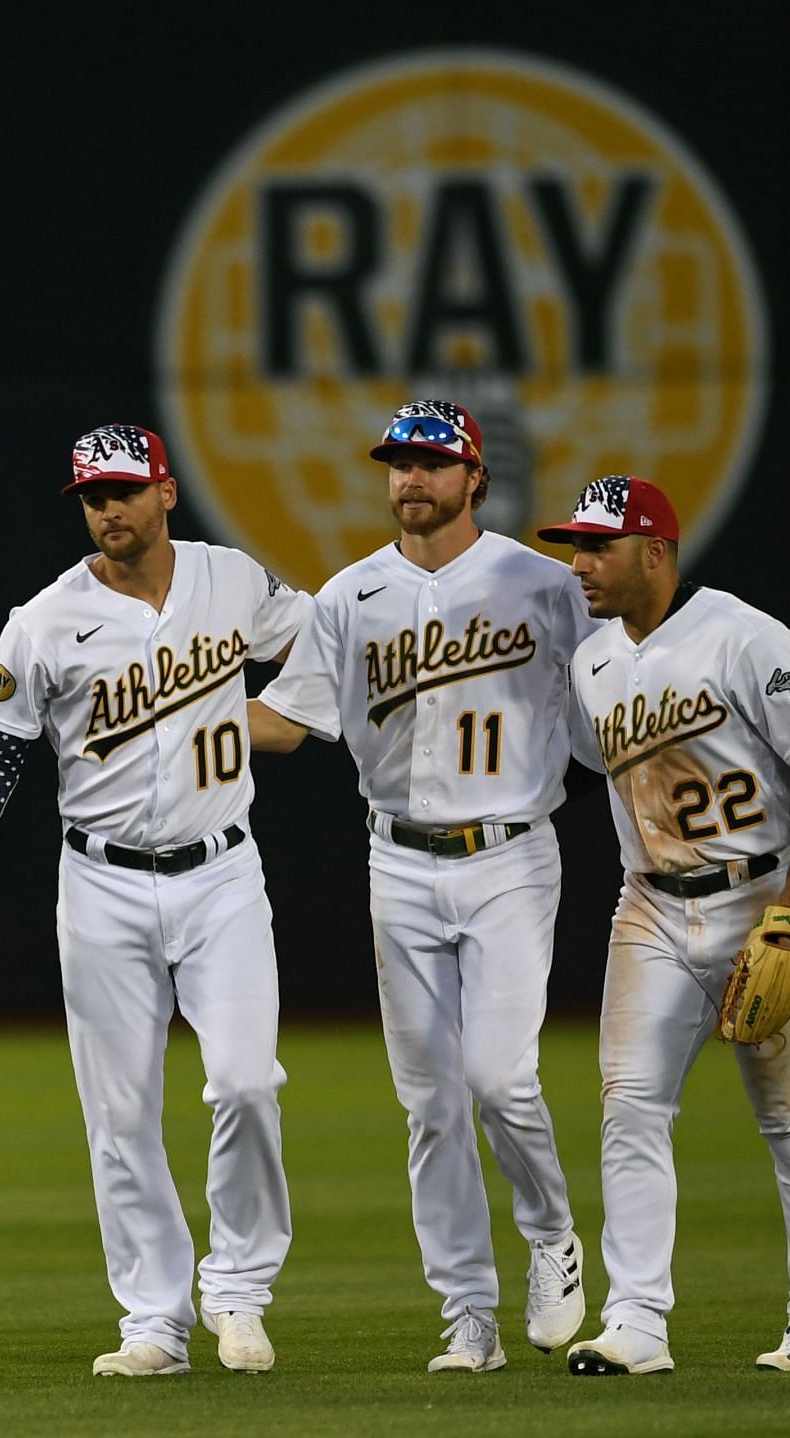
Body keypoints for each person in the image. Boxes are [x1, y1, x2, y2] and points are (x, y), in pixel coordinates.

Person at [0, 424, 312, 1378]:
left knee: (248, 1082)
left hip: (223, 874)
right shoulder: (46, 618)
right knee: (121, 1113)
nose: (108, 509)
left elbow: (325, 637)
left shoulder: (230, 580)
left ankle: (240, 1291)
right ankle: (154, 1322)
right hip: (100, 885)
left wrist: (294, 720)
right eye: (93, 495)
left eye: (125, 490)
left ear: (167, 493)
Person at [246, 399, 595, 1373]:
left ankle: (553, 1233)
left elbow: (618, 694)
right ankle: (468, 1316)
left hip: (511, 855)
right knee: (432, 1103)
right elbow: (286, 717)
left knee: (499, 1074)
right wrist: (193, 723)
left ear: (475, 477)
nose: (411, 479)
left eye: (432, 463)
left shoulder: (545, 585)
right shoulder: (350, 596)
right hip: (396, 859)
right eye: (399, 462)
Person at [536, 475, 790, 1377]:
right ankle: (636, 1322)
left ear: (656, 552)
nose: (579, 564)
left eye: (597, 547)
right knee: (630, 1109)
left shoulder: (744, 634)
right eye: (575, 546)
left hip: (765, 899)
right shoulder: (592, 665)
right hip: (649, 905)